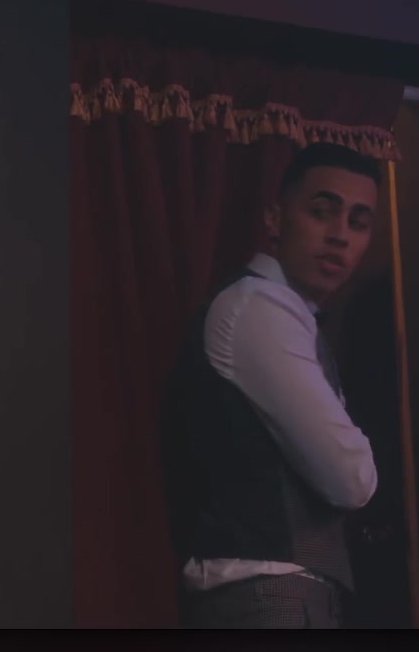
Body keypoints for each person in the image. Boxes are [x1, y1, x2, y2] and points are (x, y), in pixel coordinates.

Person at [162, 142, 381, 629]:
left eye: (359, 222)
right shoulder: (261, 306)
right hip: (268, 597)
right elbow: (351, 477)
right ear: (275, 218)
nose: (340, 235)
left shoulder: (284, 313)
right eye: (322, 211)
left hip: (274, 595)